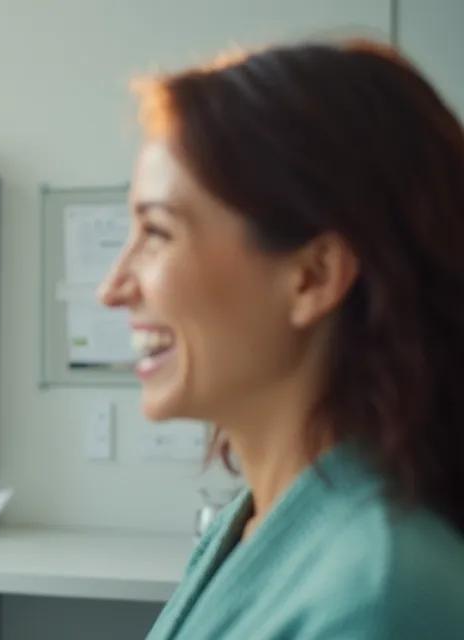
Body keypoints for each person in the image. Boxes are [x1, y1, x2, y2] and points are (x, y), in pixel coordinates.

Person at [98, 40, 464, 638]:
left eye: (157, 233)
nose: (112, 289)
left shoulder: (377, 594)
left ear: (312, 277)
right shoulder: (254, 526)